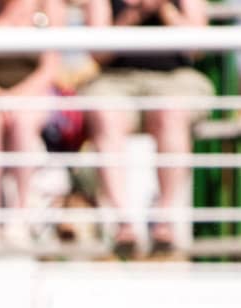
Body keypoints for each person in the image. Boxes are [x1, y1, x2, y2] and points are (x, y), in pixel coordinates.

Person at [81, 0, 213, 256]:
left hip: (174, 79)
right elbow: (96, 52)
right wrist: (132, 16)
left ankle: (164, 219)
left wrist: (165, 10)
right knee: (105, 114)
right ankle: (123, 222)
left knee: (170, 112)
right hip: (117, 81)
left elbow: (198, 46)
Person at [0, 0, 65, 242]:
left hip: (34, 93)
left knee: (23, 123)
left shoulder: (48, 6)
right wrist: (0, 96)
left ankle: (19, 215)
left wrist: (15, 98)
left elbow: (50, 69)